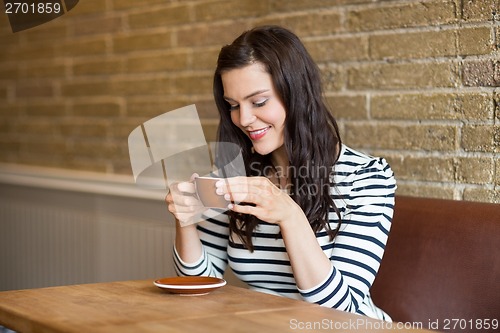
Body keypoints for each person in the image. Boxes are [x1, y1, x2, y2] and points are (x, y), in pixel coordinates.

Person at [165, 25, 396, 321]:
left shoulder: (366, 178)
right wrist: (186, 222)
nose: (244, 119)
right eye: (233, 106)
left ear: (297, 94)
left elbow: (341, 311)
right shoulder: (235, 176)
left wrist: (289, 214)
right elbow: (199, 285)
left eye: (259, 102)